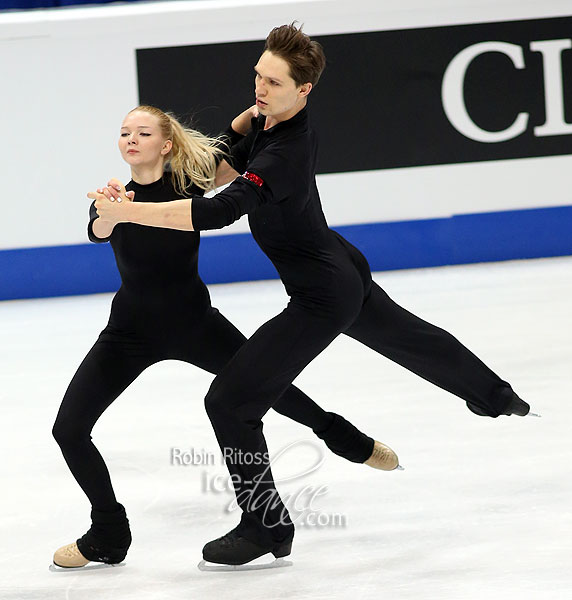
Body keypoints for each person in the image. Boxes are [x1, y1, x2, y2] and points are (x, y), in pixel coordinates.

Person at [95, 24, 533, 568]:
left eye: (273, 82)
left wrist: (126, 211)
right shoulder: (270, 121)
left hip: (320, 294)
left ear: (303, 90)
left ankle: (266, 526)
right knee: (409, 338)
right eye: (257, 75)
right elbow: (224, 157)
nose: (259, 87)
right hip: (336, 265)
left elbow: (213, 211)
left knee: (230, 401)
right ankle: (498, 396)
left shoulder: (286, 152)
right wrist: (239, 124)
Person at [51, 104, 399, 570]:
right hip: (128, 333)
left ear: (166, 144)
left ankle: (344, 438)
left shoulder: (192, 186)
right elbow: (98, 229)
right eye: (124, 132)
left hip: (195, 323)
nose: (131, 139)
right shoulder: (111, 200)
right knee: (68, 429)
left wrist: (251, 117)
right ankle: (109, 533)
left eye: (143, 132)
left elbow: (239, 152)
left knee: (271, 388)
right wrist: (113, 211)